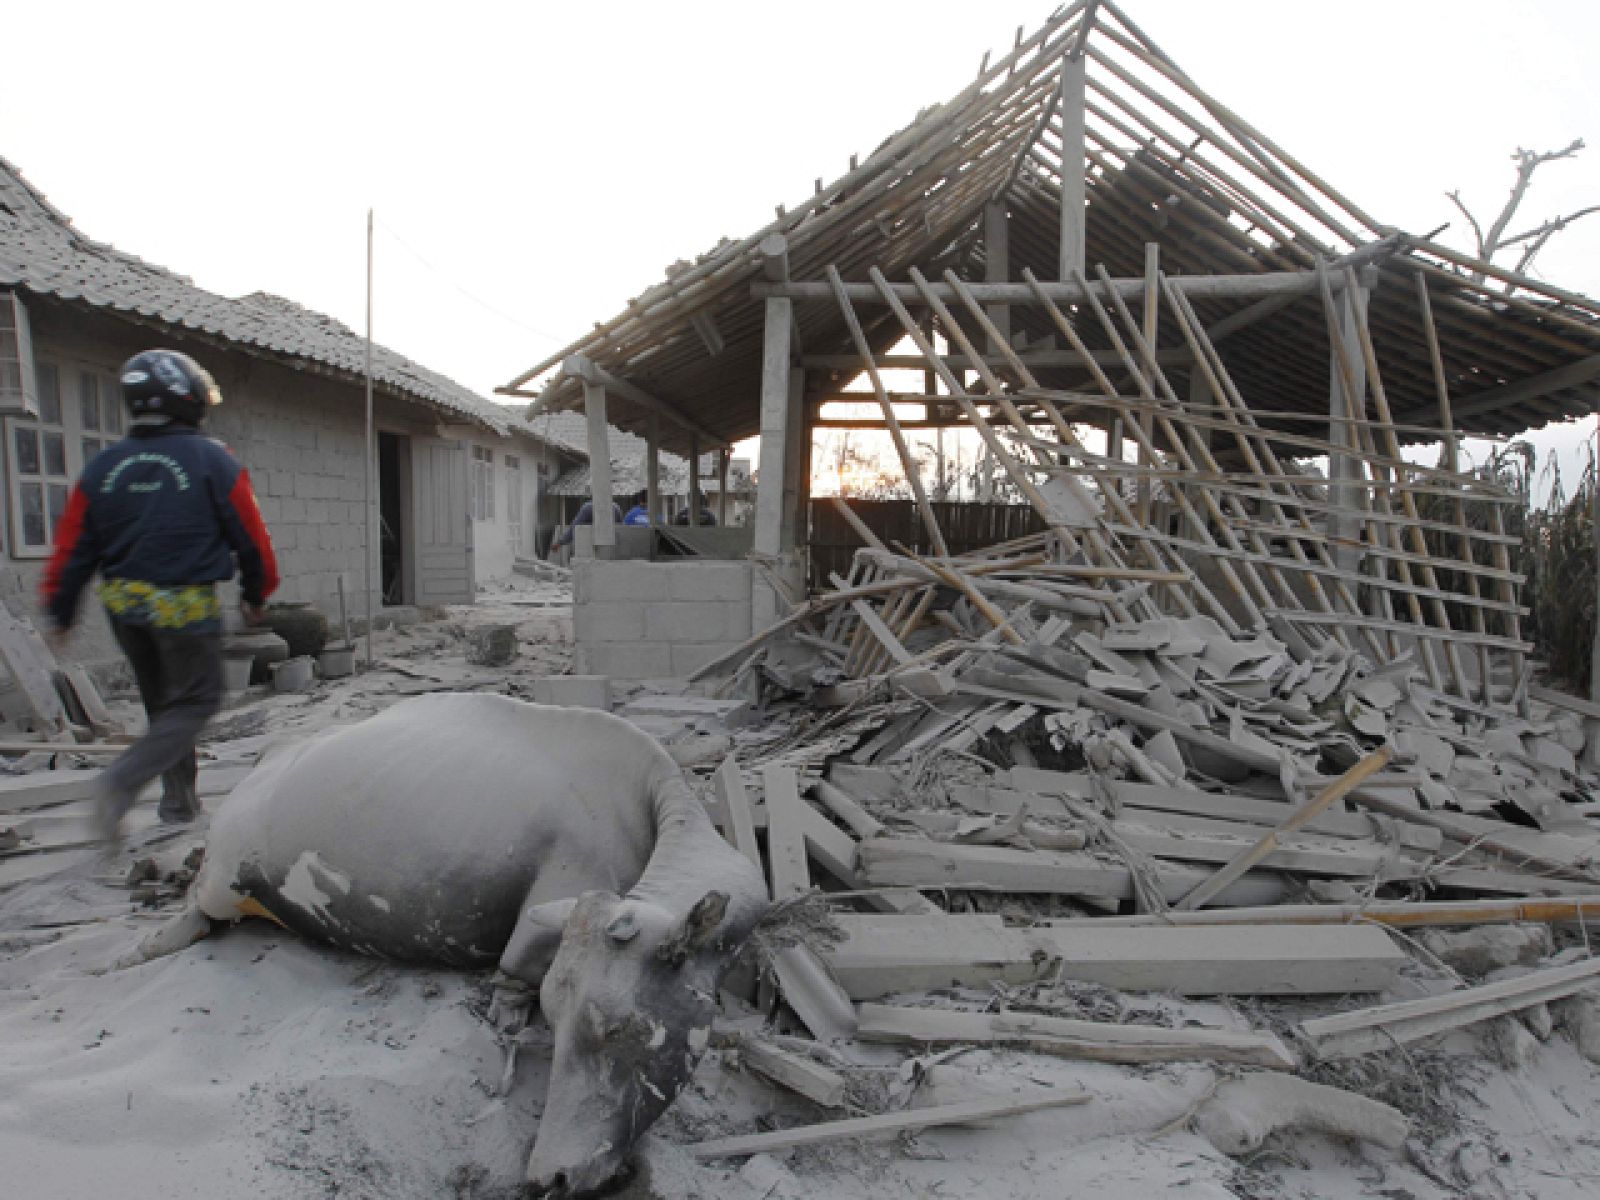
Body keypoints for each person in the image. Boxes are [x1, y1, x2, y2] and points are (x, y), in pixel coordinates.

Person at [41, 348, 280, 839]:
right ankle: (120, 781)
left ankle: (179, 806)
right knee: (195, 703)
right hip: (184, 605)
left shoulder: (102, 467)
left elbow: (74, 548)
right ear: (188, 397)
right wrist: (257, 591)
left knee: (165, 710)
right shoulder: (214, 460)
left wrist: (62, 610)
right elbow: (251, 537)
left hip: (125, 607)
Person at [551, 497, 624, 550]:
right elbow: (622, 530)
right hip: (613, 548)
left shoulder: (587, 508)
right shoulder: (616, 508)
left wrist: (559, 543)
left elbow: (573, 530)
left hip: (595, 548)